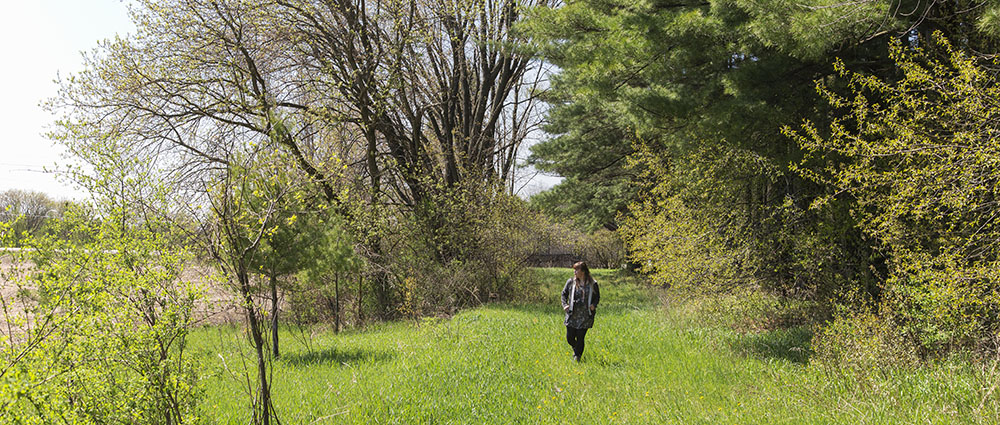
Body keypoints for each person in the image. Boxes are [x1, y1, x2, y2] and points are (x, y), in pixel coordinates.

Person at [561, 261, 600, 362]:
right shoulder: (570, 282)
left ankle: (577, 356)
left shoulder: (593, 284)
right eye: (574, 270)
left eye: (576, 270)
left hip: (586, 315)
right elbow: (564, 294)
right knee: (570, 338)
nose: (574, 272)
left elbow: (597, 297)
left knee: (580, 337)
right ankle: (576, 349)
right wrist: (565, 305)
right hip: (572, 314)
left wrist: (593, 305)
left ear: (583, 271)